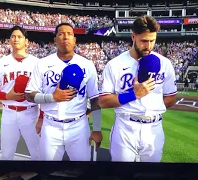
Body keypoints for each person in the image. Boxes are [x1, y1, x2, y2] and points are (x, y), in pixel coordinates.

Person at [98, 16, 177, 162]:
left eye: (152, 40)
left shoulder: (165, 64)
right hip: (125, 127)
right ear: (133, 37)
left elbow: (171, 97)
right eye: (144, 41)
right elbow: (103, 101)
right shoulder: (115, 64)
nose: (149, 45)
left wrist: (152, 106)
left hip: (154, 127)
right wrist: (134, 94)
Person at [25, 23, 103, 161]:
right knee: (47, 171)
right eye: (61, 34)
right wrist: (52, 97)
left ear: (74, 40)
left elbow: (95, 99)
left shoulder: (87, 64)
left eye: (69, 34)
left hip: (78, 125)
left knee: (82, 171)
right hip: (51, 126)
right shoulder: (42, 63)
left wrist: (96, 129)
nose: (65, 37)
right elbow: (29, 95)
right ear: (55, 40)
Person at [0, 26, 41, 160]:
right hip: (8, 113)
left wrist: (41, 117)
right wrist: (6, 96)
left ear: (26, 41)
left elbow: (44, 93)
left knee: (38, 154)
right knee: (6, 154)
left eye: (19, 36)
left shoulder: (37, 63)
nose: (15, 39)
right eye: (13, 36)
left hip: (31, 113)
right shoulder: (0, 63)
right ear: (9, 41)